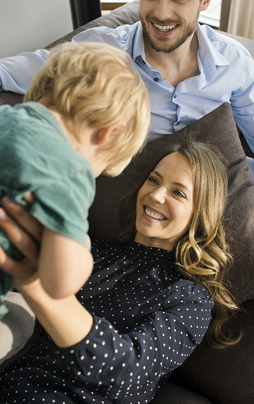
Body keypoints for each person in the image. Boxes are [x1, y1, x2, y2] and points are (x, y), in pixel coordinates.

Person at [0, 0, 254, 248]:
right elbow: (12, 71)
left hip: (241, 181)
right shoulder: (99, 56)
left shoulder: (233, 62)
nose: (161, 12)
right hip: (187, 211)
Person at [0, 141, 239, 404]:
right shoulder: (93, 251)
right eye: (153, 180)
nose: (157, 195)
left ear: (201, 213)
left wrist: (35, 286)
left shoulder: (191, 300)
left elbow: (125, 371)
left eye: (178, 193)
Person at [0, 41, 150, 318]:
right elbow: (58, 283)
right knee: (20, 323)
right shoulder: (71, 169)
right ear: (108, 133)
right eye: (102, 168)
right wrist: (82, 249)